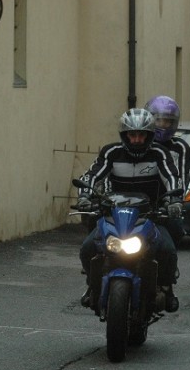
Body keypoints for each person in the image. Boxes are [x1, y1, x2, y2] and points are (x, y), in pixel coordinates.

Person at [76, 108, 182, 312]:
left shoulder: (160, 153)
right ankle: (92, 285)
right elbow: (92, 175)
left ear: (150, 136)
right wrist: (84, 196)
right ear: (124, 135)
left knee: (167, 249)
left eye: (142, 135)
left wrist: (174, 201)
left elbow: (172, 177)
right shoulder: (111, 152)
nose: (137, 140)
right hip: (114, 215)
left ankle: (166, 288)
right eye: (132, 135)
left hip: (151, 215)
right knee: (88, 247)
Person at [144, 95, 190, 247]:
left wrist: (175, 201)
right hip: (138, 200)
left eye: (167, 121)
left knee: (175, 231)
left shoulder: (180, 147)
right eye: (158, 120)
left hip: (165, 201)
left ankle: (169, 261)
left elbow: (183, 176)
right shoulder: (140, 143)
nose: (163, 125)